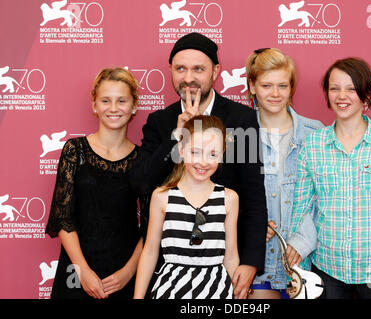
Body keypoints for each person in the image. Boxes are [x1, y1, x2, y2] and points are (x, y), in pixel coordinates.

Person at [130, 32, 267, 299]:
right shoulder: (159, 121)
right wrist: (176, 137)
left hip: (222, 265)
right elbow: (140, 183)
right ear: (170, 70)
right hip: (168, 273)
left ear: (216, 71)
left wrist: (250, 261)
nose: (188, 77)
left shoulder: (242, 119)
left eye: (198, 69)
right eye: (180, 68)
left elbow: (253, 195)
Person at [290, 57, 371, 299]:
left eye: (351, 88)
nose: (341, 96)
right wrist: (300, 277)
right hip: (327, 269)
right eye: (334, 88)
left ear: (365, 95)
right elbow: (301, 211)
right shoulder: (313, 144)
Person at [45, 67, 143, 299]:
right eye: (105, 100)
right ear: (94, 105)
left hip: (123, 275)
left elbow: (151, 225)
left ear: (134, 106)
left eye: (122, 100)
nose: (113, 108)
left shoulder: (142, 159)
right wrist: (82, 270)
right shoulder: (74, 150)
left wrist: (129, 272)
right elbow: (63, 218)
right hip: (76, 272)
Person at [244, 48, 323, 299]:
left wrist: (303, 240)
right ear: (253, 87)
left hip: (303, 262)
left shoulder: (315, 134)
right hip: (257, 262)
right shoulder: (239, 134)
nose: (275, 94)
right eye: (266, 85)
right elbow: (227, 192)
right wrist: (251, 225)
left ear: (292, 88)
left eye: (282, 85)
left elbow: (326, 198)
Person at [134, 115, 239, 299]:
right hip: (170, 289)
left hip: (217, 291)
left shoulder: (229, 198)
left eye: (212, 154)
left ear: (222, 154)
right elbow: (150, 251)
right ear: (181, 150)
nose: (203, 162)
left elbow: (231, 255)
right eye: (195, 152)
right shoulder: (162, 197)